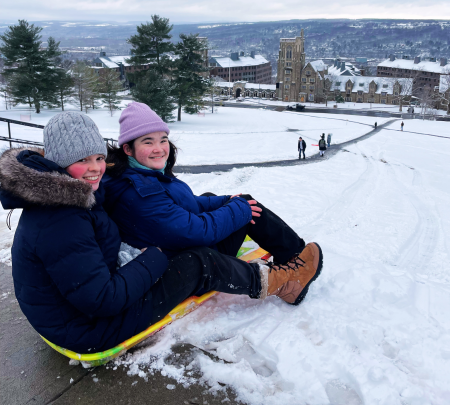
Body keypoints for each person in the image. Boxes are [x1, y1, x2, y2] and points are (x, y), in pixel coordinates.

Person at [0, 112, 323, 355]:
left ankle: (292, 259)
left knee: (227, 219)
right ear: (58, 163)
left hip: (81, 308)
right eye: (82, 160)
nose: (96, 167)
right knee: (199, 263)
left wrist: (226, 205)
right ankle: (284, 283)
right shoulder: (62, 218)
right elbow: (103, 299)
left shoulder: (69, 195)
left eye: (99, 157)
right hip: (87, 329)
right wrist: (153, 257)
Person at [104, 102, 315, 269]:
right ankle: (296, 257)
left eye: (163, 139)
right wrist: (239, 208)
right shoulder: (141, 191)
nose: (159, 149)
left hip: (174, 244)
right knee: (247, 206)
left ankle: (288, 247)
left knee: (220, 199)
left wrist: (225, 201)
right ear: (128, 149)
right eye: (148, 142)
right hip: (189, 260)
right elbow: (196, 232)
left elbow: (187, 203)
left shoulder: (141, 174)